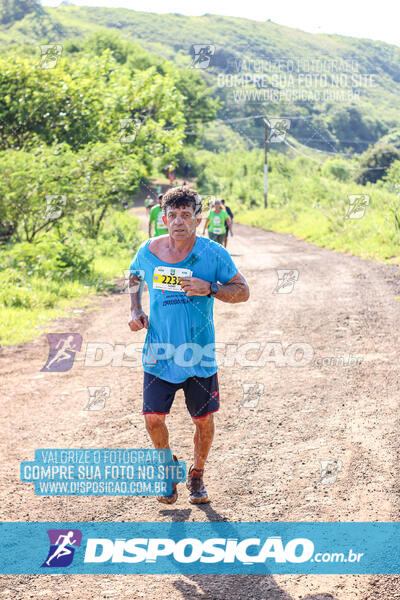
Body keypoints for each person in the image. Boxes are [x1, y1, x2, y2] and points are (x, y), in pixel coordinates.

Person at [128, 186, 249, 505]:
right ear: (163, 218)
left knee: (203, 420)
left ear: (198, 219)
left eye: (186, 215)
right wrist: (135, 308)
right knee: (153, 418)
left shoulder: (213, 254)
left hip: (199, 355)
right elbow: (134, 277)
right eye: (173, 215)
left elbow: (243, 291)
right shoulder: (148, 251)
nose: (179, 221)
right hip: (159, 354)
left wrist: (210, 287)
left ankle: (196, 476)